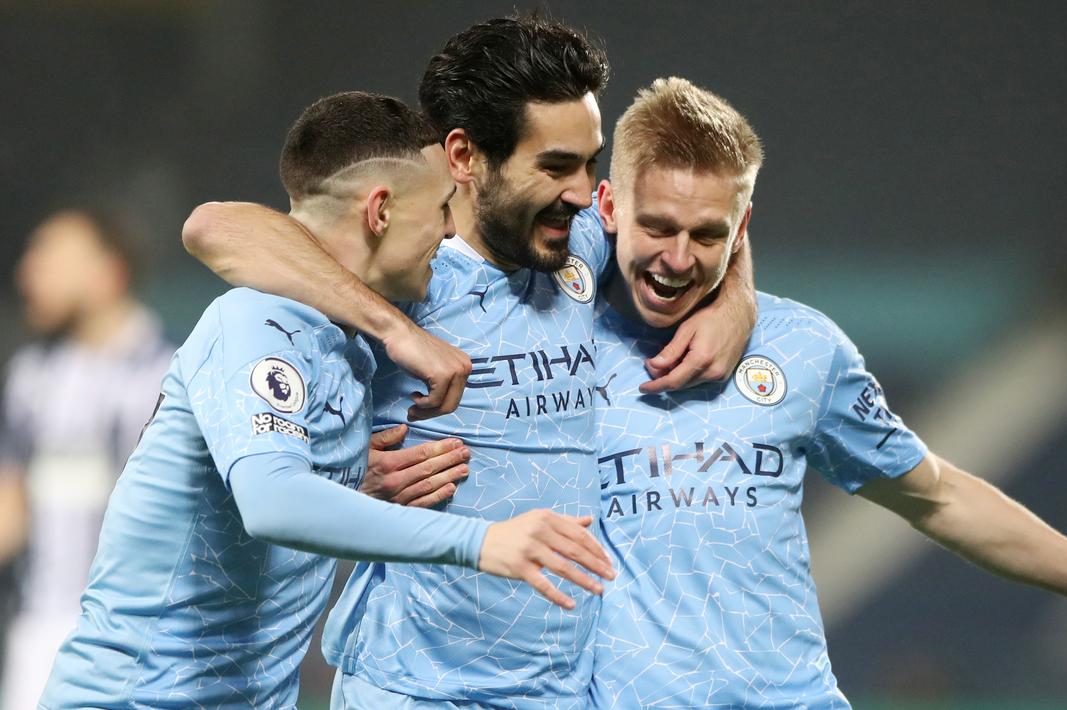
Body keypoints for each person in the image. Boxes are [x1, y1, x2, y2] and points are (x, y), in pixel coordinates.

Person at [182, 16, 757, 708]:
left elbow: (708, 220)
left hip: (558, 691)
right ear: (464, 155)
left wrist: (736, 298)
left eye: (589, 163)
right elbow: (213, 227)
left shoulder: (578, 243)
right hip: (415, 687)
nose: (582, 192)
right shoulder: (400, 272)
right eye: (554, 167)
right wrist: (394, 333)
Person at [585, 77, 1067, 708]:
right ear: (607, 208)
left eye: (707, 235)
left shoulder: (802, 348)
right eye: (659, 227)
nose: (678, 258)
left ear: (741, 228)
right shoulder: (551, 341)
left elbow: (938, 498)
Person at [39, 91, 611, 709]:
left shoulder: (345, 344)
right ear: (380, 211)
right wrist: (481, 541)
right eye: (442, 207)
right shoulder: (255, 322)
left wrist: (345, 485)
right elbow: (272, 502)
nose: (450, 228)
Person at [0, 208, 174, 710]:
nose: (29, 272)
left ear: (108, 272)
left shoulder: (168, 373)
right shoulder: (31, 376)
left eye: (51, 257)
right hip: (38, 633)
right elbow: (12, 508)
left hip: (138, 636)